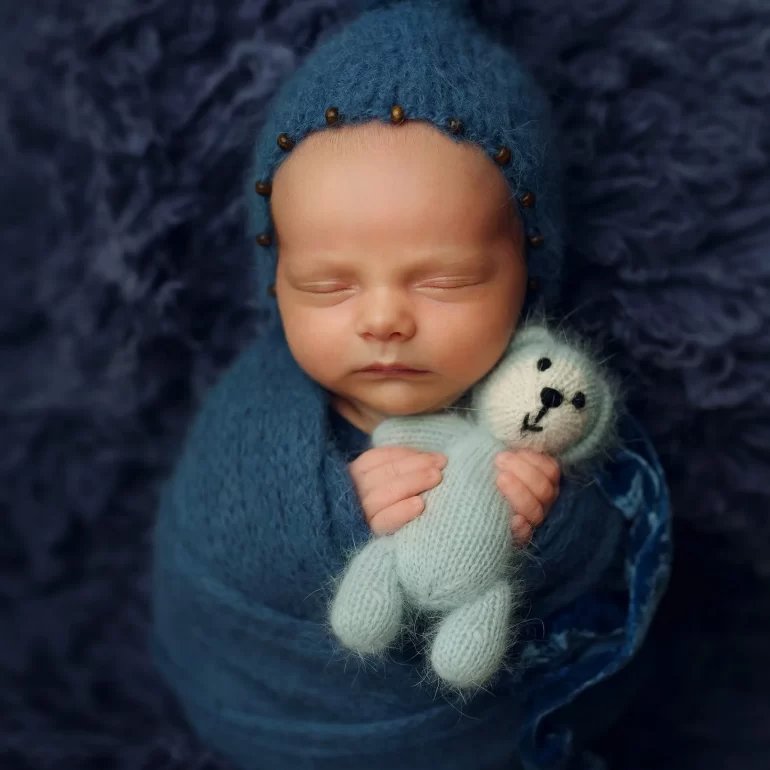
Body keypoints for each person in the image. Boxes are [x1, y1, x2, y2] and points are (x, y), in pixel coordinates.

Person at [151, 2, 672, 768]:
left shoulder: (543, 404)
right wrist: (331, 516)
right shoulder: (255, 417)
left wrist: (547, 522)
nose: (384, 320)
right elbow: (213, 541)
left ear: (529, 271)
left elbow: (615, 549)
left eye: (446, 281)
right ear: (277, 282)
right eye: (328, 285)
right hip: (280, 715)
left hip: (489, 731)